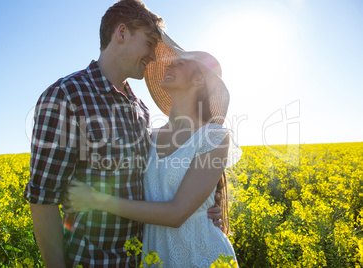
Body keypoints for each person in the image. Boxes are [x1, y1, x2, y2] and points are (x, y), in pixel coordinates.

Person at [23, 1, 223, 267]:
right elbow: (43, 200)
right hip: (92, 261)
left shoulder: (140, 109)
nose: (154, 57)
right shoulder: (66, 96)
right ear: (122, 33)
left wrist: (202, 211)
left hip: (145, 258)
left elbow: (161, 189)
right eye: (150, 42)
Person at [64, 27, 242, 267]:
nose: (168, 65)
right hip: (155, 256)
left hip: (202, 256)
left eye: (179, 64)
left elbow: (177, 213)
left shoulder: (214, 137)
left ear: (199, 79)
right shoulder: (148, 135)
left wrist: (96, 200)